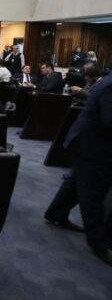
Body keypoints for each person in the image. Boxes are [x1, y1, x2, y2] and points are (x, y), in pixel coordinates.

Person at [61, 73, 112, 266]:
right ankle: (100, 245)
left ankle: (56, 213)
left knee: (77, 182)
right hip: (91, 144)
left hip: (87, 140)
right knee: (93, 192)